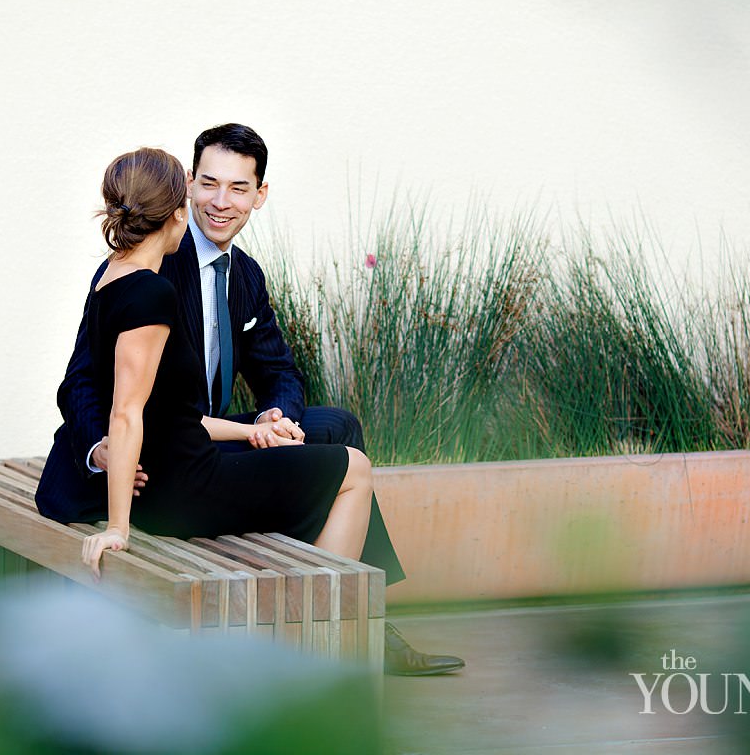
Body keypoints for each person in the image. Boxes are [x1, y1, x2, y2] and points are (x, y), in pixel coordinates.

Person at [37, 126, 464, 676]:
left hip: (195, 435)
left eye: (239, 188)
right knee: (346, 469)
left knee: (336, 425)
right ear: (187, 188)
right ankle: (331, 636)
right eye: (209, 184)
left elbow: (279, 368)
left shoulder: (245, 276)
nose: (221, 201)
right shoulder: (149, 269)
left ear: (259, 195)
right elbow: (82, 383)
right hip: (156, 462)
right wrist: (105, 452)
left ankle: (360, 621)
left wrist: (272, 418)